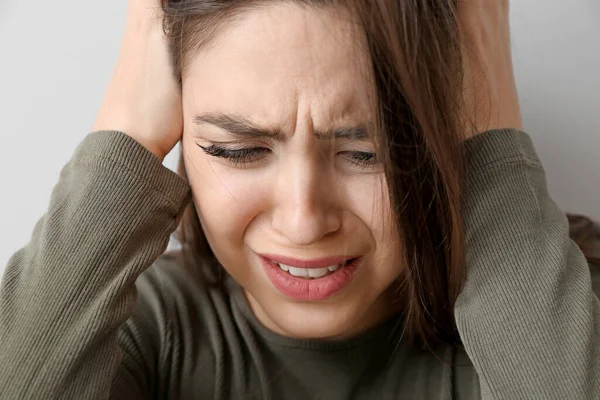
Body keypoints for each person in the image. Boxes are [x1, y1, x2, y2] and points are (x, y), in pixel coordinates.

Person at [0, 0, 598, 398]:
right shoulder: (143, 331)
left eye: (369, 153)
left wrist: (489, 133)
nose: (304, 221)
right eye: (237, 150)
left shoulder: (562, 308)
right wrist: (127, 132)